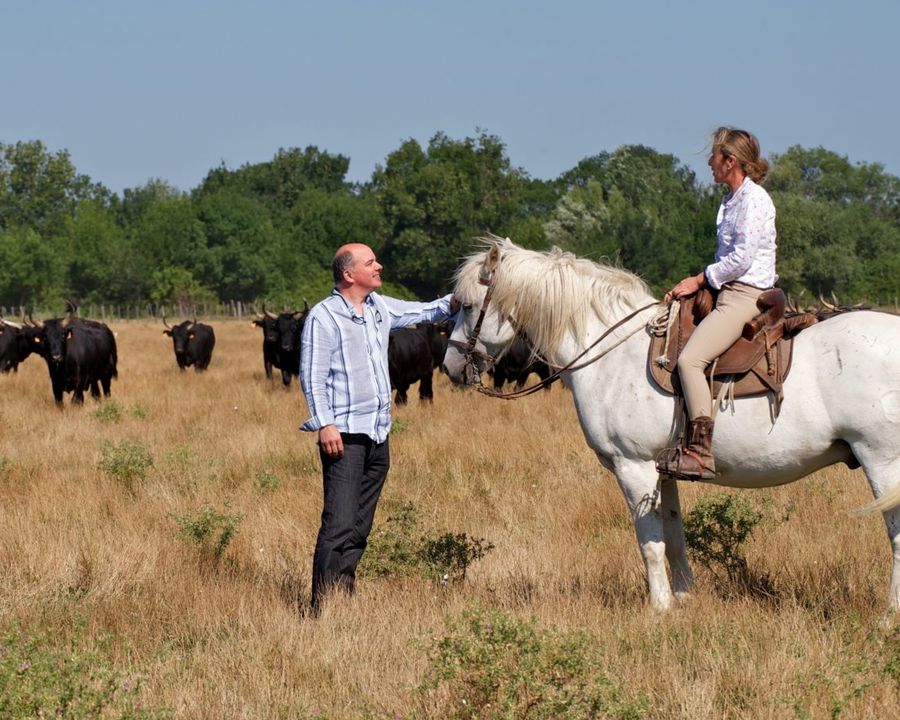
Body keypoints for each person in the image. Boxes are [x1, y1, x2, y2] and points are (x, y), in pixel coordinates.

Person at [299, 243, 458, 613]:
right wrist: (325, 425)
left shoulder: (378, 308)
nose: (379, 265)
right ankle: (320, 608)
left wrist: (462, 295)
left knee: (359, 527)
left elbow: (427, 309)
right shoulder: (324, 317)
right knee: (338, 523)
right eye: (370, 262)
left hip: (378, 434)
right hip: (345, 436)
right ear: (349, 274)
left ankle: (344, 596)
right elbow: (312, 376)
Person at [656, 127, 777, 480]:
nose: (709, 163)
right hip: (728, 289)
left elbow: (741, 259)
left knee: (691, 361)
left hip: (746, 295)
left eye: (714, 157)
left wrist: (699, 279)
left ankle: (701, 453)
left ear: (731, 162)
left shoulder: (754, 200)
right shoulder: (730, 200)